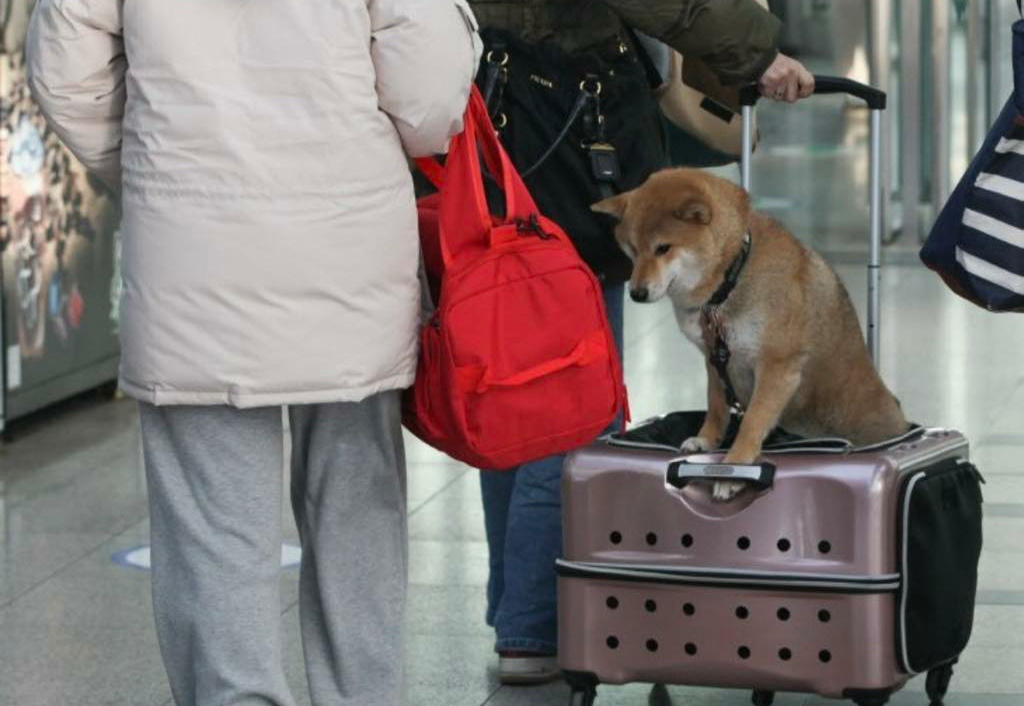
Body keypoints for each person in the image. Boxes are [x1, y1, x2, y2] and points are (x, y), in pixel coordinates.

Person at [26, 1, 481, 705]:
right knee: (353, 508)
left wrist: (160, 165)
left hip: (194, 252)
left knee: (214, 527)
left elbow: (65, 74)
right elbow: (428, 91)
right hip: (345, 248)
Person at [467, 0, 814, 685]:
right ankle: (535, 627)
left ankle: (518, 613)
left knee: (518, 393)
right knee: (571, 400)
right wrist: (756, 52)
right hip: (567, 123)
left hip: (495, 116)